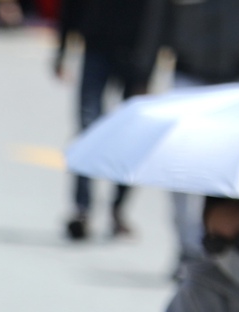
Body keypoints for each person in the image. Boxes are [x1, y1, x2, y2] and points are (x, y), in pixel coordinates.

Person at [159, 0, 239, 264]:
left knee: (224, 171)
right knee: (179, 168)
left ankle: (217, 244)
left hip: (231, 78)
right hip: (188, 73)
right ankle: (186, 246)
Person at [54, 0, 155, 241]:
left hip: (136, 51)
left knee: (132, 135)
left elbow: (160, 14)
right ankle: (82, 209)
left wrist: (148, 67)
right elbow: (71, 7)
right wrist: (62, 50)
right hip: (96, 46)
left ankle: (118, 207)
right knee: (88, 129)